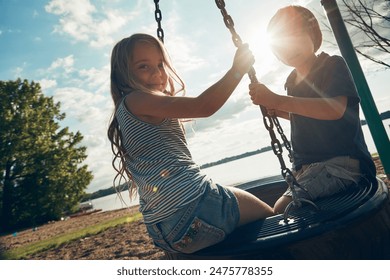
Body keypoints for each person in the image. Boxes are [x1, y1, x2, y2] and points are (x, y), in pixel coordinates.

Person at [108, 33, 273, 254]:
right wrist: (237, 70)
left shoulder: (124, 111)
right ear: (122, 75)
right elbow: (204, 106)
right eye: (143, 67)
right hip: (195, 205)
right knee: (270, 217)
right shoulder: (138, 99)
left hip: (165, 231)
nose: (157, 72)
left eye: (159, 64)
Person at [248, 6, 376, 214]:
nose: (290, 48)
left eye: (296, 36)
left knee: (283, 209)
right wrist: (276, 109)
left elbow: (333, 110)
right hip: (307, 167)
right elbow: (305, 116)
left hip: (342, 164)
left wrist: (278, 100)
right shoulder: (291, 81)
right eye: (282, 44)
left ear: (313, 34)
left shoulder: (331, 65)